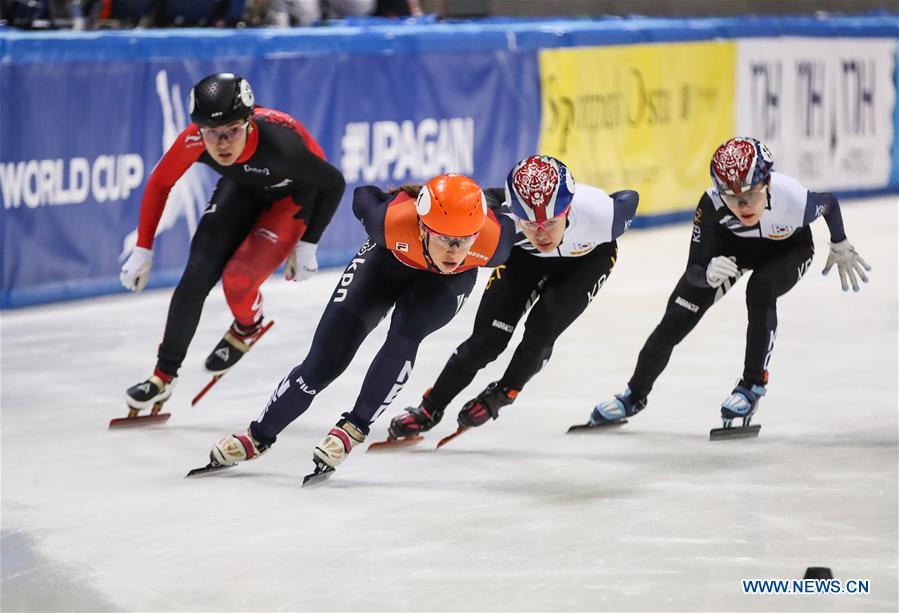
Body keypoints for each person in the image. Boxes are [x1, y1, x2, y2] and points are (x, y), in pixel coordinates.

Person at [204, 173, 517, 481]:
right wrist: (404, 195)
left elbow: (505, 207)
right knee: (324, 362)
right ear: (422, 226)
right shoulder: (388, 221)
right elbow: (362, 195)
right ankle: (258, 435)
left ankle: (354, 427)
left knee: (405, 334)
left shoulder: (495, 244)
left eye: (464, 241)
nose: (454, 251)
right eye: (445, 239)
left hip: (443, 287)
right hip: (386, 264)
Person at [584, 136, 871, 432]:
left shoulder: (792, 198)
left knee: (760, 290)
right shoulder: (710, 205)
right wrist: (706, 274)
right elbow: (693, 269)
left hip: (787, 251)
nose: (743, 205)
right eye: (732, 197)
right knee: (675, 319)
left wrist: (840, 242)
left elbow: (828, 203)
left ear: (768, 184)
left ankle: (751, 386)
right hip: (732, 253)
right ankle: (634, 395)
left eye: (750, 195)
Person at [120, 73, 345, 416]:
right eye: (212, 133)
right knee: (194, 278)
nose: (222, 144)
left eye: (231, 132)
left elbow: (332, 183)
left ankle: (248, 326)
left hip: (294, 195)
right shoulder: (194, 140)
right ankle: (163, 376)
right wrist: (143, 247)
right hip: (241, 188)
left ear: (249, 123)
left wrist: (308, 243)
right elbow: (159, 184)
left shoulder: (281, 145)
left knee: (238, 279)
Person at [385, 155, 639, 442]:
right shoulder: (499, 219)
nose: (540, 233)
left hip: (587, 261)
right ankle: (429, 409)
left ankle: (505, 391)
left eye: (550, 222)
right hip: (524, 260)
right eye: (529, 223)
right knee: (486, 341)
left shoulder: (605, 215)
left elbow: (630, 198)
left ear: (568, 209)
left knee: (542, 331)